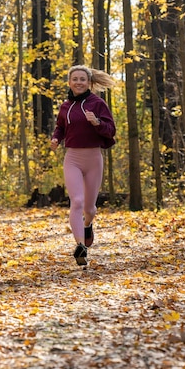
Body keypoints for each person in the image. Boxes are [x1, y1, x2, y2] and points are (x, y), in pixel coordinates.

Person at [50, 65, 116, 266]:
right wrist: (55, 139)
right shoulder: (65, 106)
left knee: (90, 209)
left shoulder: (97, 104)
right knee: (76, 201)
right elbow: (61, 127)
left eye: (82, 79)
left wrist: (97, 122)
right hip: (73, 158)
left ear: (89, 83)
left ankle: (88, 225)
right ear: (69, 82)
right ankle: (80, 246)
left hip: (93, 158)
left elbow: (110, 130)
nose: (78, 82)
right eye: (75, 79)